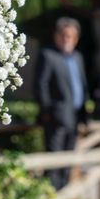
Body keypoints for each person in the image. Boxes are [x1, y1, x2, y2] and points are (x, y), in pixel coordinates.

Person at [34, 17, 88, 190]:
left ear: (76, 38)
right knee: (54, 161)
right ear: (57, 36)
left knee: (69, 160)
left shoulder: (78, 57)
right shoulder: (48, 55)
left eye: (71, 36)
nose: (67, 39)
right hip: (56, 118)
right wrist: (47, 111)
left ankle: (63, 198)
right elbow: (40, 84)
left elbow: (82, 85)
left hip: (75, 117)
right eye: (64, 35)